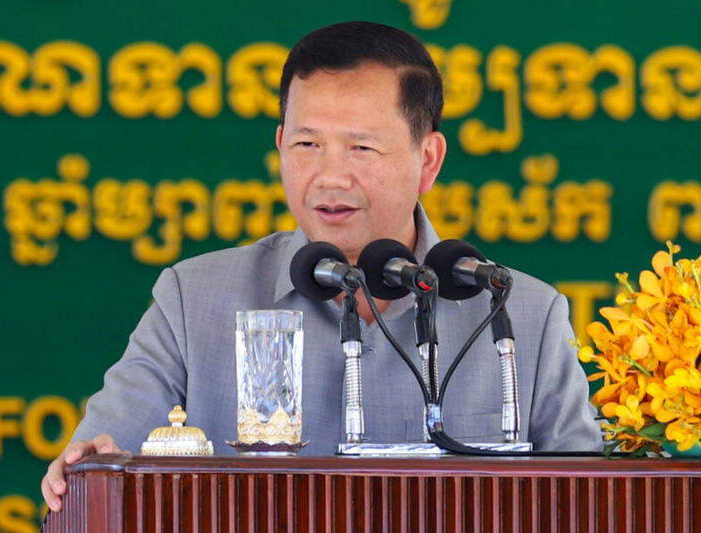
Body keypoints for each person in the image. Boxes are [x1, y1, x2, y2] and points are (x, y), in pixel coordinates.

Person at [41, 21, 602, 512]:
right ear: (280, 144)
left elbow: (591, 504)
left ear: (427, 159)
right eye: (307, 144)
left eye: (361, 148)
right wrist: (87, 468)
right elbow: (100, 464)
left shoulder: (523, 314)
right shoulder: (193, 299)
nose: (330, 177)